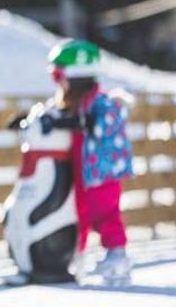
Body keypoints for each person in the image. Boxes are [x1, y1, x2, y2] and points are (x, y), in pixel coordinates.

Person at [47, 39, 134, 283]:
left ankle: (117, 255)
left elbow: (101, 123)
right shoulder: (76, 104)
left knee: (104, 213)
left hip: (103, 172)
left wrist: (77, 122)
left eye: (59, 76)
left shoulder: (100, 104)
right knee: (81, 214)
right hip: (85, 172)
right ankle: (77, 254)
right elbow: (56, 115)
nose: (58, 83)